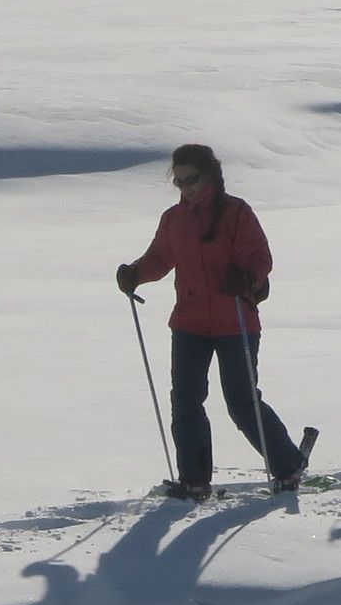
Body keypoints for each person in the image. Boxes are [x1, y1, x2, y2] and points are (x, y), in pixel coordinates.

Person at [116, 144, 310, 499]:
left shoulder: (236, 213)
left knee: (242, 402)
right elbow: (160, 257)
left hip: (235, 321)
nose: (187, 188)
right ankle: (193, 479)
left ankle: (288, 465)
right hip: (189, 323)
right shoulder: (174, 219)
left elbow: (260, 257)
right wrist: (134, 274)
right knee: (186, 400)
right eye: (180, 182)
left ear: (211, 176)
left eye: (193, 179)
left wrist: (248, 278)